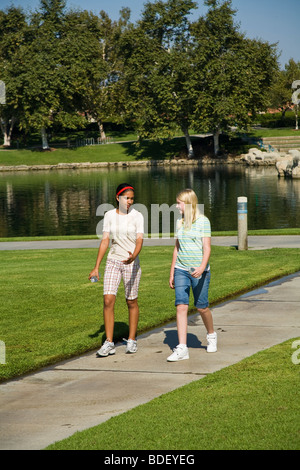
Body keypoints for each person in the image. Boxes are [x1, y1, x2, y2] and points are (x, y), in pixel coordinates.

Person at [89, 183, 144, 357]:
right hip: (113, 260)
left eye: (132, 198)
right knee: (107, 300)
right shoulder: (109, 215)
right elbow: (105, 240)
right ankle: (109, 343)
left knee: (131, 301)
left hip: (131, 263)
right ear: (117, 198)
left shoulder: (137, 216)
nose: (130, 201)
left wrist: (134, 256)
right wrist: (96, 266)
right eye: (127, 198)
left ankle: (132, 339)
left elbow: (140, 240)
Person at [168, 188, 217, 361]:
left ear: (188, 204)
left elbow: (207, 248)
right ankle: (182, 348)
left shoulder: (203, 221)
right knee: (181, 305)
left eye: (179, 203)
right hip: (181, 269)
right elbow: (177, 248)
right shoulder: (179, 223)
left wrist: (203, 267)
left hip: (199, 271)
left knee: (202, 306)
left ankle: (211, 335)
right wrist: (172, 271)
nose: (176, 206)